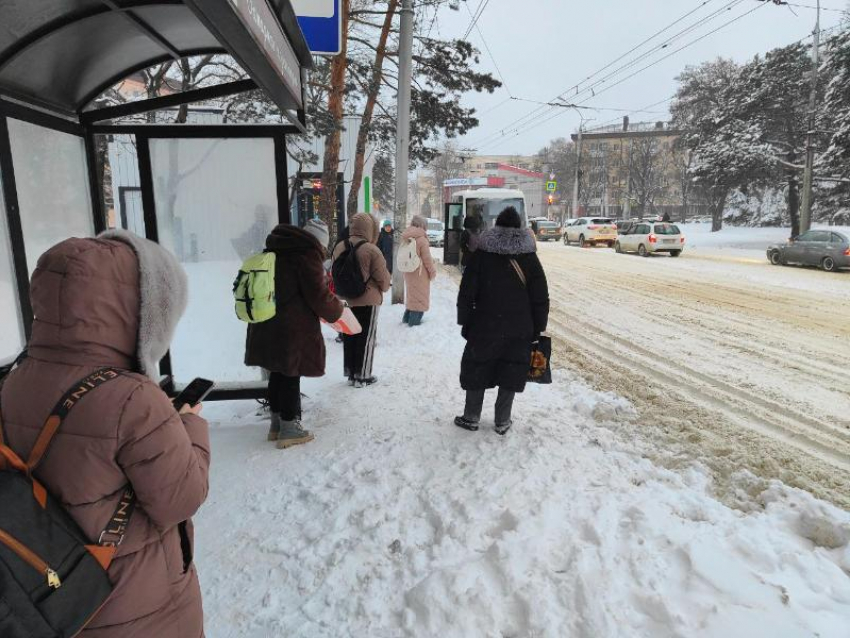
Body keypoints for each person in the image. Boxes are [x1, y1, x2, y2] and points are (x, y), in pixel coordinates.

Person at [0, 230, 210, 637]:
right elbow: (181, 497)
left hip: (55, 599)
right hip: (140, 606)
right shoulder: (134, 398)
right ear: (141, 311)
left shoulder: (16, 380)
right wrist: (189, 425)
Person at [245, 219, 344, 448]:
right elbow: (318, 296)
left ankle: (276, 425)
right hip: (291, 327)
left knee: (277, 373)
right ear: (319, 242)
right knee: (290, 373)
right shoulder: (305, 256)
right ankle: (290, 428)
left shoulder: (276, 249)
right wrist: (338, 309)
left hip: (266, 322)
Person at [455, 207, 550, 435]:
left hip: (484, 324)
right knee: (511, 370)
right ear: (519, 228)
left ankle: (471, 417)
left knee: (477, 367)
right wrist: (538, 328)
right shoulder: (529, 258)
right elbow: (540, 297)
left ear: (496, 225)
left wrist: (464, 321)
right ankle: (502, 420)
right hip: (519, 327)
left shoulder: (482, 254)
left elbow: (467, 290)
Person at [331, 213, 391, 387]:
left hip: (345, 300)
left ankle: (350, 373)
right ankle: (363, 375)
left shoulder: (340, 246)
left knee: (349, 335)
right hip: (368, 301)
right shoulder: (372, 249)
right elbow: (384, 280)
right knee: (366, 337)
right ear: (370, 229)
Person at [401, 215, 437, 326]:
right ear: (422, 225)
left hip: (408, 271)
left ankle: (406, 320)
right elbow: (427, 260)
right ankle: (413, 324)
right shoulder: (421, 239)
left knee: (412, 297)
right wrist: (432, 272)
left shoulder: (406, 237)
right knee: (419, 298)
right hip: (420, 273)